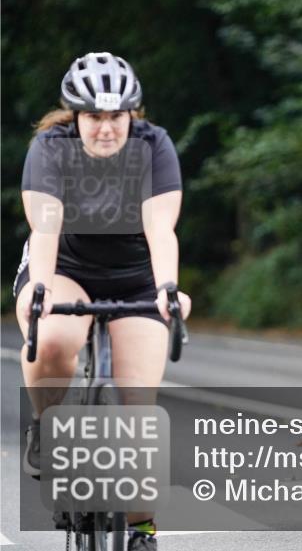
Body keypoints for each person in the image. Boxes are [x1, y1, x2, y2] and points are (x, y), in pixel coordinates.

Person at [15, 52, 192, 549]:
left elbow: (161, 228)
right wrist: (41, 291)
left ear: (132, 114)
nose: (106, 128)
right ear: (75, 115)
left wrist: (167, 290)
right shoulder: (51, 148)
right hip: (66, 268)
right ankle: (45, 428)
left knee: (138, 408)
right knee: (49, 342)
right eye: (94, 116)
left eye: (116, 116)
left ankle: (141, 530)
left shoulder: (154, 146)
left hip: (136, 275)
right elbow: (45, 228)